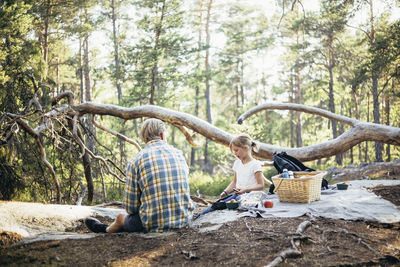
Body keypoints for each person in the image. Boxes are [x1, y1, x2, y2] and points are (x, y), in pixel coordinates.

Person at [85, 118, 194, 233]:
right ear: (162, 135)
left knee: (121, 217)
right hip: (184, 219)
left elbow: (130, 208)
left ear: (144, 138)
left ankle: (105, 229)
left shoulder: (136, 161)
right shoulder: (179, 154)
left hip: (151, 224)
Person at [198, 133, 264, 216]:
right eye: (233, 151)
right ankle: (200, 215)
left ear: (246, 148)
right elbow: (234, 182)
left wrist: (245, 190)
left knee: (224, 204)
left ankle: (202, 215)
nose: (235, 153)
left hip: (250, 195)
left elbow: (261, 186)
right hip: (239, 195)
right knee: (218, 204)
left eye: (236, 150)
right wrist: (225, 192)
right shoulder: (237, 163)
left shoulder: (255, 164)